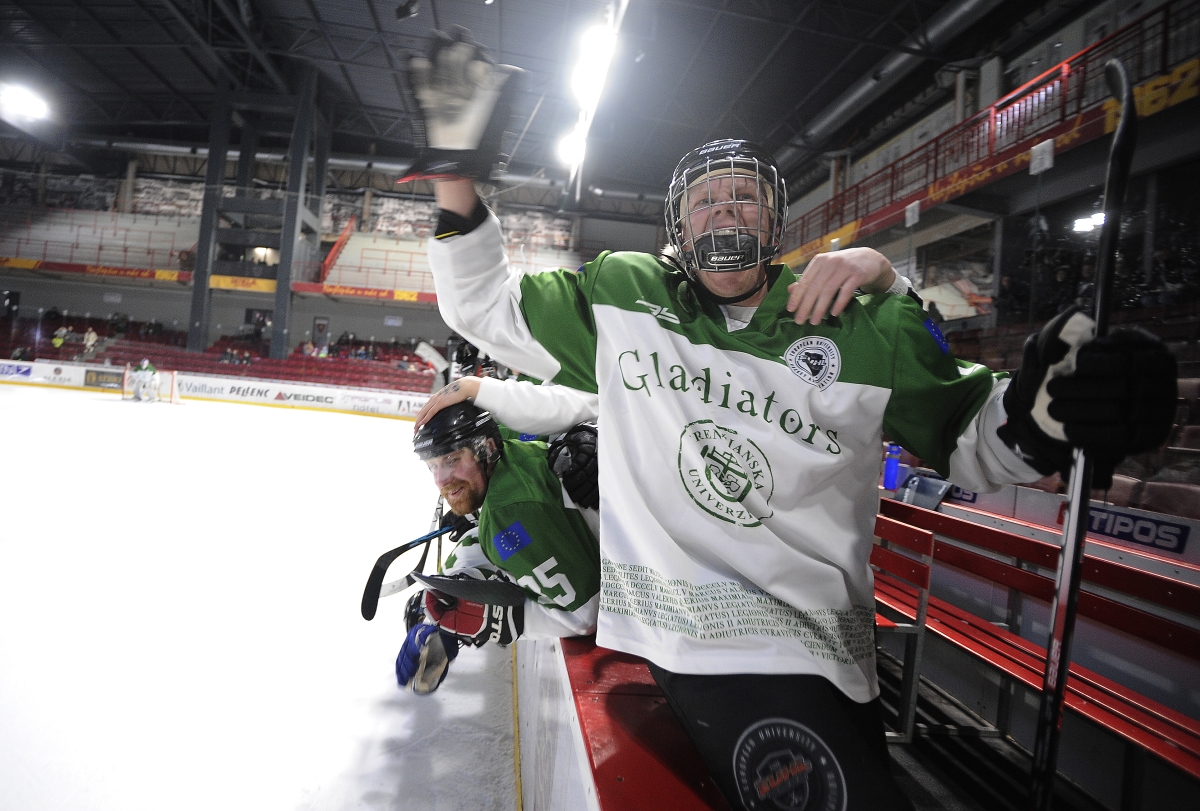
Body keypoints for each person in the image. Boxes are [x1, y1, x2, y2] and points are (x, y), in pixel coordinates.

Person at [402, 29, 1178, 810]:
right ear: (678, 225)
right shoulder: (625, 295)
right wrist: (456, 180)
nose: (723, 209)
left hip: (821, 645)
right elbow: (486, 309)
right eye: (704, 199)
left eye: (743, 195)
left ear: (776, 219)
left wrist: (1048, 416)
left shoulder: (865, 320)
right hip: (696, 639)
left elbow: (973, 440)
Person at [396, 401, 600, 694]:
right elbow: (490, 540)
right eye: (433, 466)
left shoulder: (510, 512)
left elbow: (585, 615)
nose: (441, 480)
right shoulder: (508, 459)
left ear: (487, 448)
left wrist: (497, 621)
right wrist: (456, 592)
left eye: (452, 460)